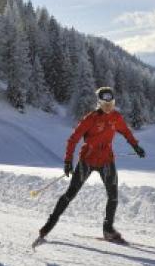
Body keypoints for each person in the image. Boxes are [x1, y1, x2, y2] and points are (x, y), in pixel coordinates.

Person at [35, 86, 145, 245]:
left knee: (113, 196)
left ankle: (108, 230)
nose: (108, 107)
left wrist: (135, 146)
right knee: (70, 194)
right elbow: (73, 139)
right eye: (105, 104)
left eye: (111, 103)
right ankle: (47, 227)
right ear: (99, 103)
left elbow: (126, 132)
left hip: (106, 160)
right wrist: (68, 161)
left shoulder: (116, 117)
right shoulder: (91, 118)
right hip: (87, 160)